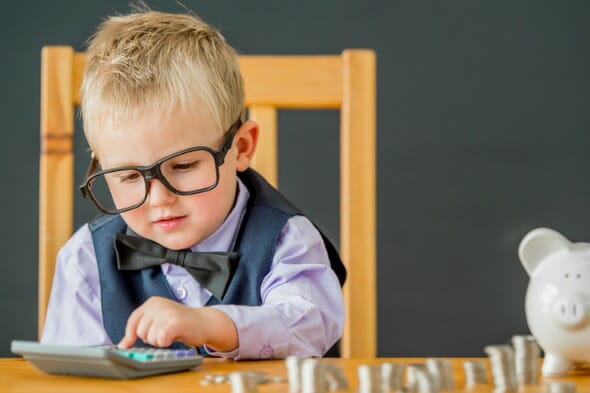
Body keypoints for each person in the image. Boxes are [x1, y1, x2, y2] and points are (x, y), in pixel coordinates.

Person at [41, 8, 346, 360]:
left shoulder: (285, 239)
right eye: (127, 176)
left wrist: (212, 324)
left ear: (241, 148)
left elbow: (311, 325)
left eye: (184, 165)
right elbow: (69, 375)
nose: (159, 198)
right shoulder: (85, 260)